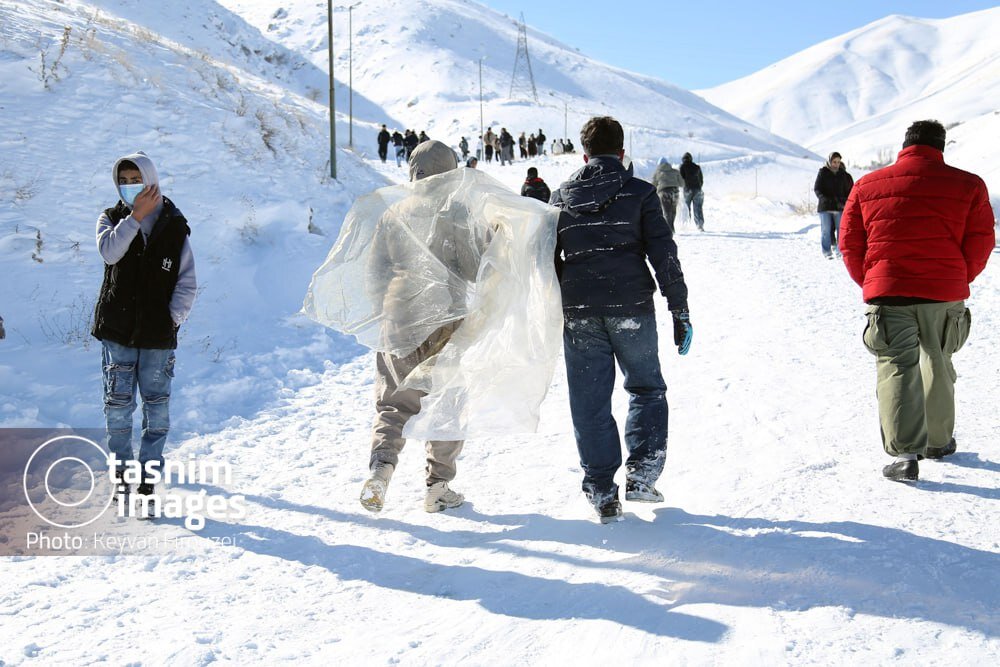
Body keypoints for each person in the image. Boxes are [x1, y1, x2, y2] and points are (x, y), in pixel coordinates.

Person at [549, 117, 692, 523]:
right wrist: (678, 308)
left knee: (589, 401)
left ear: (585, 154)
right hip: (631, 306)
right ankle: (642, 475)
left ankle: (601, 490)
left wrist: (567, 294)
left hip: (579, 313)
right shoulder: (641, 193)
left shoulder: (560, 197)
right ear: (622, 152)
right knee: (645, 388)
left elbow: (545, 258)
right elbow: (663, 253)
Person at [839, 120, 994, 482]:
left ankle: (906, 455)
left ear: (904, 145)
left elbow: (849, 242)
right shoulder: (969, 185)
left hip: (889, 292)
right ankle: (938, 442)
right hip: (944, 292)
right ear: (941, 146)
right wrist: (958, 276)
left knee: (896, 365)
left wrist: (872, 280)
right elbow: (982, 239)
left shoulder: (866, 185)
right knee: (938, 361)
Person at [360, 140, 473, 514]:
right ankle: (438, 487)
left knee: (393, 404)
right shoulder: (455, 213)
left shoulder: (393, 213)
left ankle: (381, 471)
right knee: (446, 403)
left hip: (398, 322)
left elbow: (375, 272)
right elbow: (473, 268)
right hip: (444, 321)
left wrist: (386, 311)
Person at [92, 151, 197, 502]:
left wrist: (171, 320)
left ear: (150, 179)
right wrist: (135, 217)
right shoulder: (110, 218)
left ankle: (149, 474)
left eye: (135, 179)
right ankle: (122, 474)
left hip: (157, 337)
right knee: (118, 407)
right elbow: (110, 253)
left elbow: (187, 282)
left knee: (157, 408)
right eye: (122, 181)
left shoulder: (174, 224)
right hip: (118, 332)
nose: (128, 186)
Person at [814, 152, 854, 258]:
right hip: (825, 207)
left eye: (838, 162)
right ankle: (826, 252)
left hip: (839, 207)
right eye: (834, 162)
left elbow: (849, 191)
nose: (836, 164)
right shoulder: (823, 173)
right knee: (826, 230)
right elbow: (817, 189)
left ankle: (840, 251)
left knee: (841, 229)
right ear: (829, 161)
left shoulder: (843, 175)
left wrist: (844, 202)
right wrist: (824, 199)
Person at [651, 157, 683, 233]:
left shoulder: (657, 172)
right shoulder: (675, 171)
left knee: (666, 211)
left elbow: (653, 185)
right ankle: (671, 226)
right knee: (673, 211)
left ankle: (670, 229)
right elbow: (682, 183)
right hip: (675, 191)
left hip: (664, 192)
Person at [679, 152, 704, 231]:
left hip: (687, 189)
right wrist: (698, 187)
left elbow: (681, 179)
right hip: (698, 189)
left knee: (686, 208)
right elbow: (701, 180)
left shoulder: (682, 167)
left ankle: (686, 225)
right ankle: (700, 225)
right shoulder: (697, 167)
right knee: (698, 208)